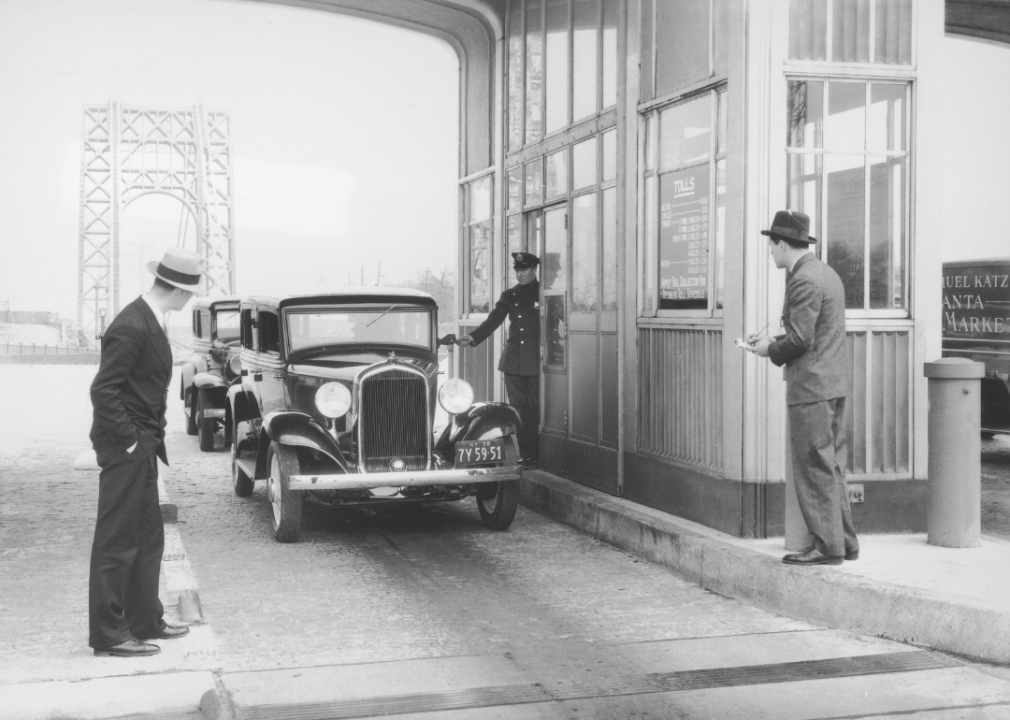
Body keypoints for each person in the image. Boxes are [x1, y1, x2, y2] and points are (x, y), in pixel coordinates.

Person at [88, 247, 204, 656]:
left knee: (148, 536)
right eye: (190, 294)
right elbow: (103, 390)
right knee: (118, 540)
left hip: (142, 444)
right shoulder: (133, 325)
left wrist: (147, 439)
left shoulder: (147, 319)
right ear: (180, 293)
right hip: (127, 446)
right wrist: (131, 439)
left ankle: (144, 619)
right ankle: (109, 633)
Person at [745, 211, 858, 566]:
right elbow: (814, 332)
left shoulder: (802, 280)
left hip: (812, 388)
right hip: (833, 384)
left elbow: (801, 339)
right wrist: (774, 340)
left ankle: (827, 547)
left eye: (770, 246)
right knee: (831, 466)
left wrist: (768, 349)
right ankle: (846, 543)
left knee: (812, 467)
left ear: (781, 244)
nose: (770, 254)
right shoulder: (825, 273)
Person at [457, 252, 541, 468]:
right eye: (517, 270)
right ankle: (526, 453)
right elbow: (493, 320)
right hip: (514, 362)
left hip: (536, 361)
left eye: (524, 270)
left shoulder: (544, 294)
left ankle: (534, 453)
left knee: (534, 408)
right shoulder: (510, 295)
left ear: (534, 270)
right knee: (518, 409)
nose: (519, 274)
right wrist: (473, 336)